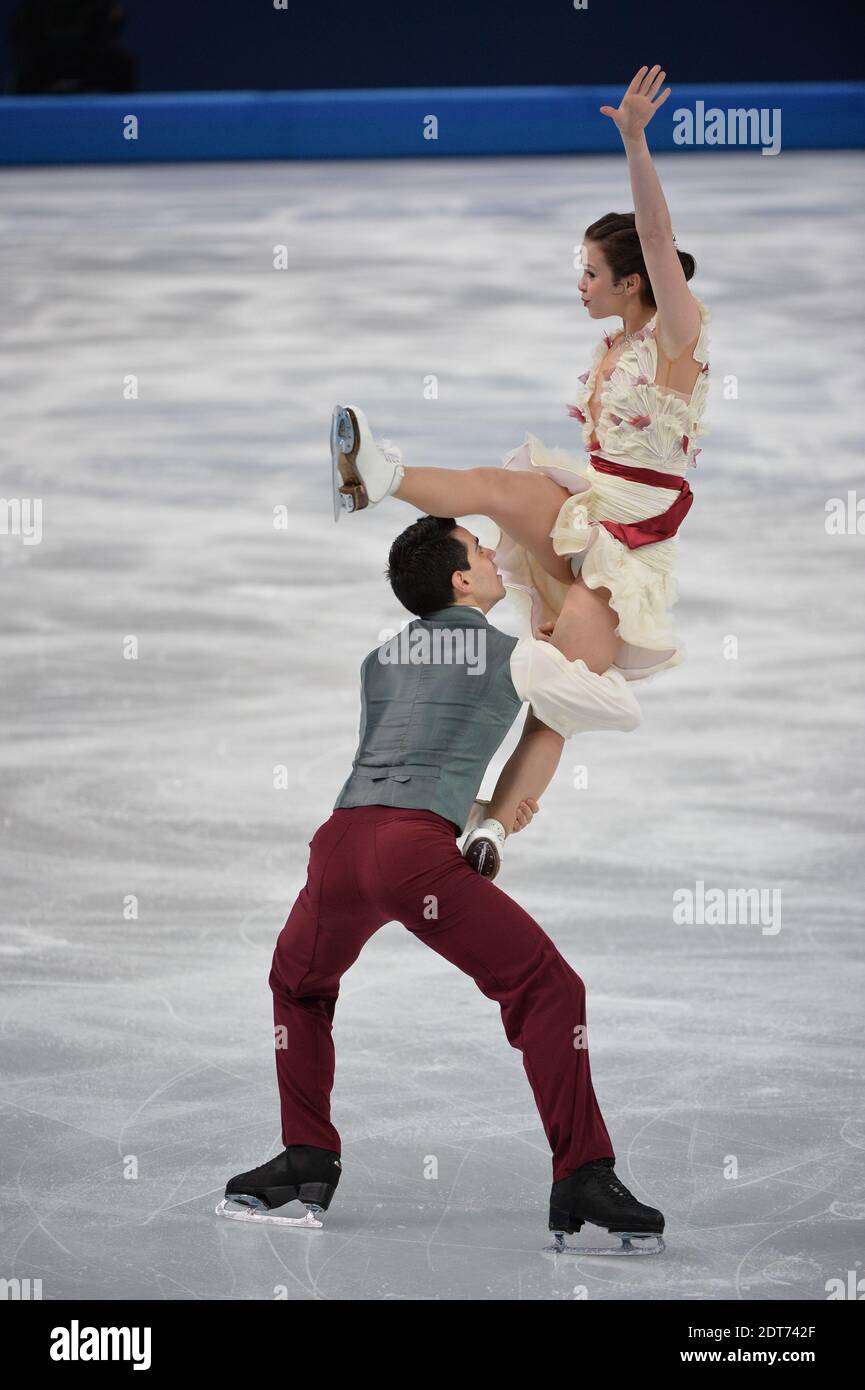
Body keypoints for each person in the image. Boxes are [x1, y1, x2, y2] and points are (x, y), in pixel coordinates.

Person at [219, 515, 665, 1254]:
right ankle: (583, 1172)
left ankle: (306, 1155)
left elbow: (417, 740)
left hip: (338, 845)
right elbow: (616, 709)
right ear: (461, 580)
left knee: (298, 986)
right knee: (547, 990)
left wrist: (487, 813)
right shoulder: (517, 654)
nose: (495, 556)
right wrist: (573, 646)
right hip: (411, 853)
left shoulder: (377, 659)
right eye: (481, 550)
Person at [331, 64, 710, 871]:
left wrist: (636, 141)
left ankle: (489, 833)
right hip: (595, 496)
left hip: (632, 544)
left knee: (550, 706)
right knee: (500, 487)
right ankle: (376, 475)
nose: (579, 285)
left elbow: (652, 235)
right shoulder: (616, 344)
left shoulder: (675, 334)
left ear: (632, 283)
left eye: (589, 274)